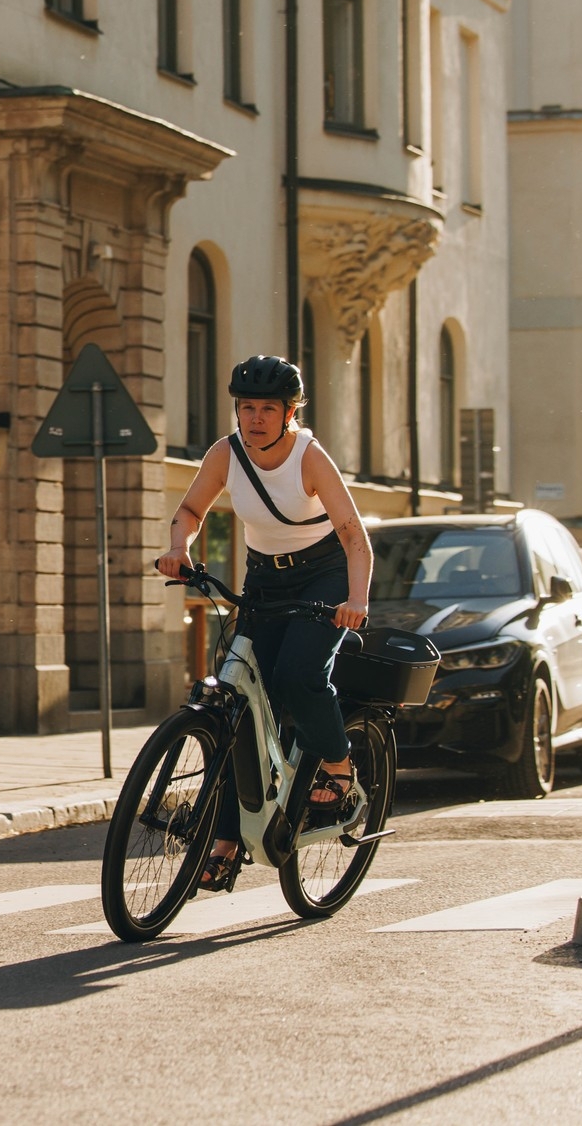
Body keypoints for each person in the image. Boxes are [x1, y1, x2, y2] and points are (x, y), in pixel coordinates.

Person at [156, 355, 374, 890]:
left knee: (297, 675)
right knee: (238, 710)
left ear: (289, 413)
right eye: (247, 407)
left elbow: (352, 535)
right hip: (264, 579)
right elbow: (191, 511)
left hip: (323, 576)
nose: (255, 419)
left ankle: (338, 765)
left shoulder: (308, 457)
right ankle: (227, 842)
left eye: (268, 409)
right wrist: (179, 548)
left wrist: (356, 600)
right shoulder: (225, 454)